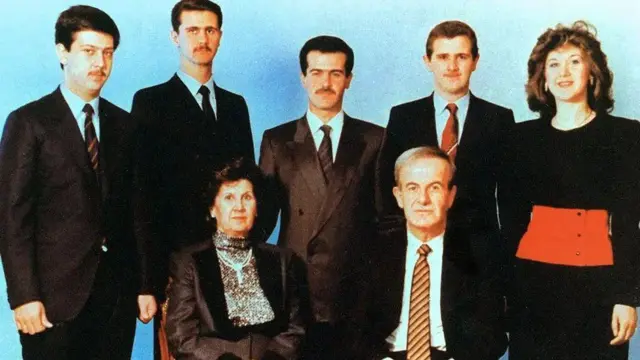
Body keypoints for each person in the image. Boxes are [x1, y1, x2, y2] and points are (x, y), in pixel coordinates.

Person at [0, 5, 140, 359]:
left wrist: (144, 286)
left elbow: (137, 213)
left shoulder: (124, 126)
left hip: (115, 300)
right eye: (88, 51)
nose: (100, 63)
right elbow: (12, 218)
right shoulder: (29, 122)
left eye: (107, 53)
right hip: (51, 303)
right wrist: (23, 297)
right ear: (62, 53)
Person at [502, 21, 640, 360]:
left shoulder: (625, 136)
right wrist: (504, 295)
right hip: (532, 284)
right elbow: (510, 222)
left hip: (598, 287)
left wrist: (627, 296)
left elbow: (628, 224)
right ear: (543, 79)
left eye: (575, 61)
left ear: (593, 73)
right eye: (554, 64)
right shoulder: (520, 140)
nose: (564, 72)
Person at [131, 0, 255, 356]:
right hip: (175, 266)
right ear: (175, 36)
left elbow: (247, 187)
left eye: (210, 30)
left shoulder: (235, 106)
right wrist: (148, 282)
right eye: (192, 30)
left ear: (220, 36)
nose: (202, 39)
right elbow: (142, 196)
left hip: (232, 262)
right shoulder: (151, 102)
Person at [258, 35, 383, 359]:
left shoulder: (374, 139)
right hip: (295, 294)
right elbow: (260, 223)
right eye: (316, 73)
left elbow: (387, 221)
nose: (325, 83)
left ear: (349, 80)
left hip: (355, 297)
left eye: (335, 74)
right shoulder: (276, 140)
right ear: (303, 78)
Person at [375, 20, 515, 277]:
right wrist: (395, 241)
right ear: (428, 61)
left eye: (461, 56)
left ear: (475, 61)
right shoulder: (404, 117)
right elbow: (385, 186)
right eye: (442, 57)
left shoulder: (498, 119)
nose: (452, 66)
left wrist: (503, 255)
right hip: (417, 247)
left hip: (479, 254)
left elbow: (510, 197)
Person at [364, 147, 507, 360]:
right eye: (412, 188)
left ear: (450, 196)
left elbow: (492, 336)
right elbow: (351, 329)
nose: (423, 199)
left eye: (435, 188)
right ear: (399, 196)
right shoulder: (371, 251)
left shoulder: (478, 254)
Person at [165, 157, 305, 360]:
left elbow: (295, 329)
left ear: (256, 208)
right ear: (212, 209)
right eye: (229, 197)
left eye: (247, 197)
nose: (239, 206)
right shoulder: (189, 262)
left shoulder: (283, 260)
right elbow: (182, 337)